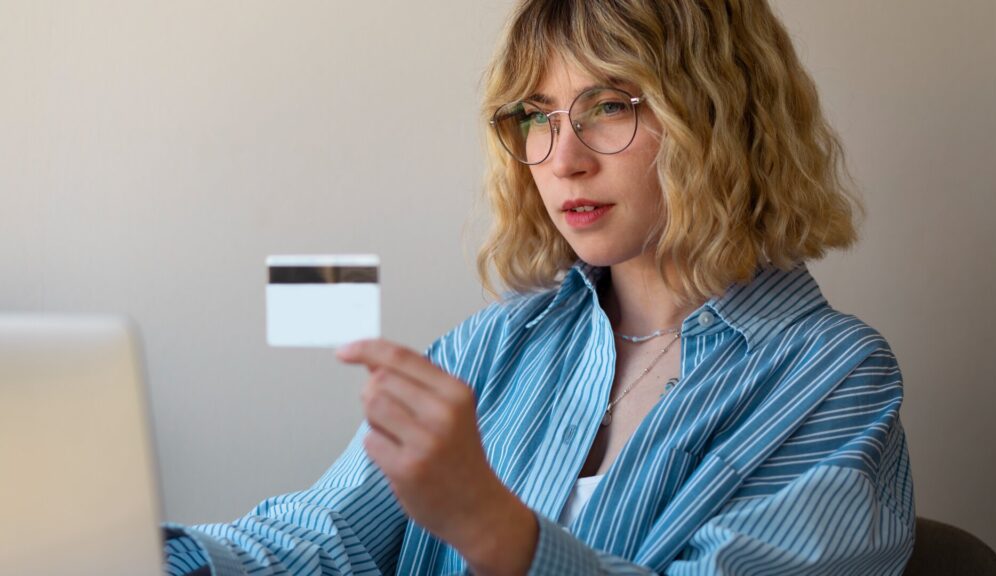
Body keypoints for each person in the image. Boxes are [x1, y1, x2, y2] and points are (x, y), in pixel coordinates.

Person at [164, 0, 915, 574]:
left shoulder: (835, 378)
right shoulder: (492, 345)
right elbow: (321, 540)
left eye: (610, 105)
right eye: (535, 117)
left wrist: (496, 529)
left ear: (720, 115)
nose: (562, 159)